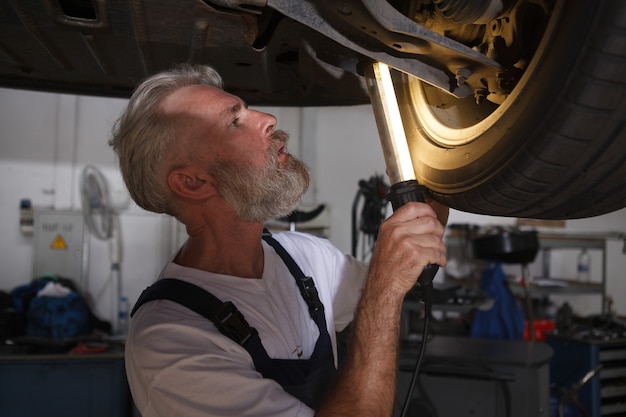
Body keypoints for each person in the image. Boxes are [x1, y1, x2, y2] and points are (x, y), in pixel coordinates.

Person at [109, 63, 448, 417]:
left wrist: (447, 174)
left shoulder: (303, 256)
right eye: (234, 122)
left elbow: (406, 271)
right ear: (193, 183)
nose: (269, 118)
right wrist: (386, 286)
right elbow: (386, 290)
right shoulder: (171, 338)